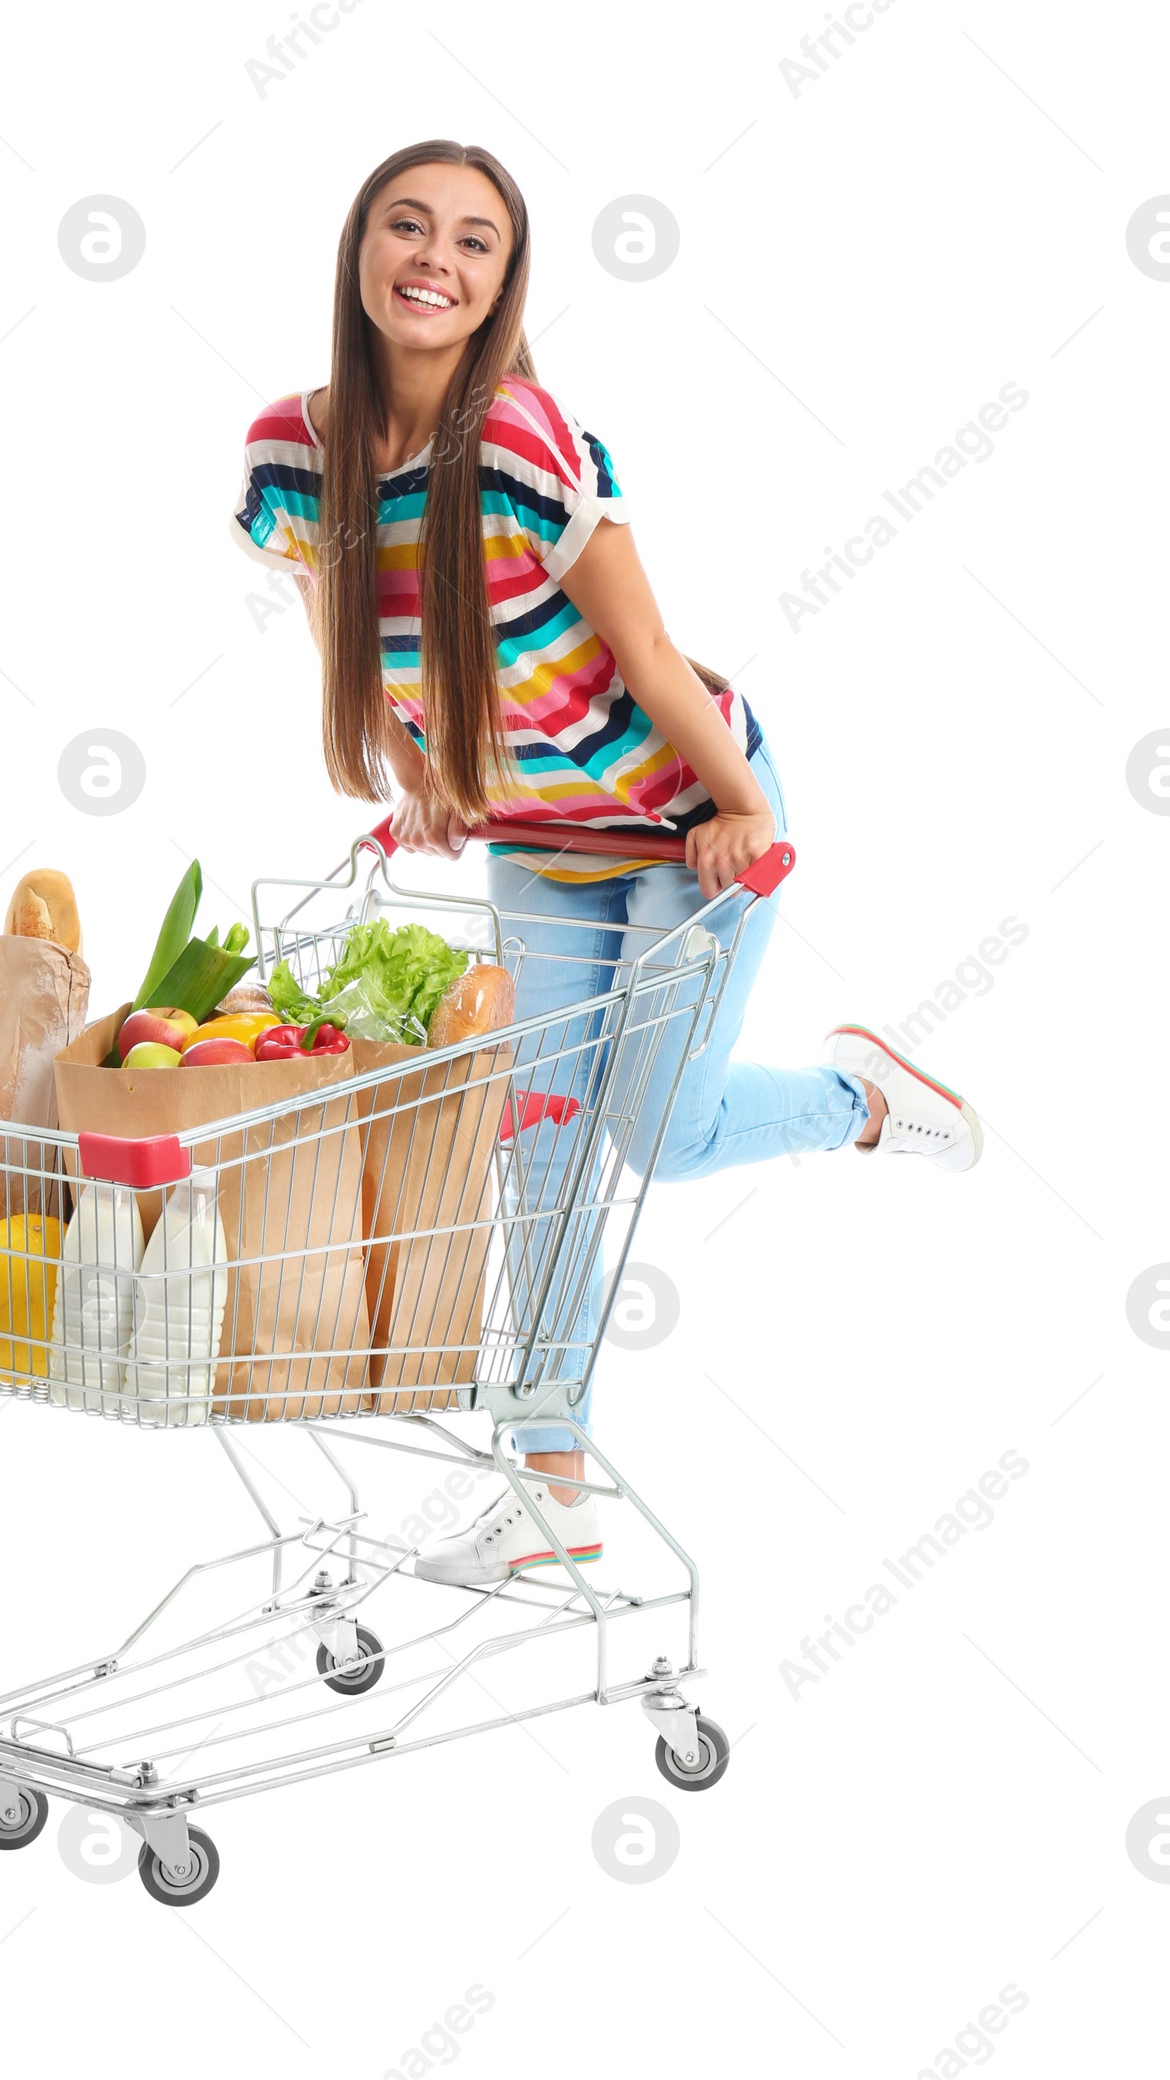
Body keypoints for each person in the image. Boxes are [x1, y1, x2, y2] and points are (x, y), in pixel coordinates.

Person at [230, 138, 980, 1587]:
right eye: (407, 226)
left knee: (657, 1131)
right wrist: (428, 776)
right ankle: (552, 1480)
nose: (433, 261)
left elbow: (644, 651)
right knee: (543, 1156)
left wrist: (738, 810)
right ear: (359, 247)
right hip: (537, 843)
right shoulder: (288, 455)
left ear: (505, 283)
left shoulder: (518, 447)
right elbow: (358, 634)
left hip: (684, 823)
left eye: (474, 242)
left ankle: (857, 1099)